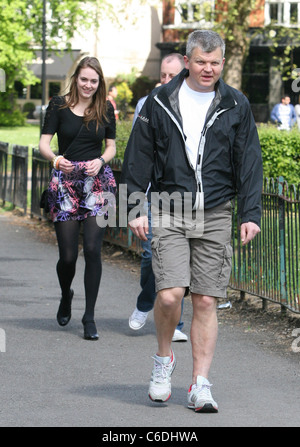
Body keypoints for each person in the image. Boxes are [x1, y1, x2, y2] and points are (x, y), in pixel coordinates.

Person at [121, 30, 263, 412]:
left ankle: (200, 383)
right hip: (169, 207)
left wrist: (250, 213)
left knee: (204, 300)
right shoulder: (160, 101)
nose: (208, 69)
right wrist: (135, 208)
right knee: (169, 294)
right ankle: (163, 361)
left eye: (215, 63)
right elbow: (138, 156)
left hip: (216, 211)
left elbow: (249, 160)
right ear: (187, 60)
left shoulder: (235, 103)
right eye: (201, 62)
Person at [39, 57, 117, 341]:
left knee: (94, 250)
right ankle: (65, 294)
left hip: (99, 184)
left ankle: (89, 318)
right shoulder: (58, 105)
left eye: (93, 81)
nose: (88, 85)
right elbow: (44, 143)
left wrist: (100, 160)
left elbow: (111, 147)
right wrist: (56, 159)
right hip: (66, 183)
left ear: (100, 83)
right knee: (68, 256)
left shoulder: (106, 108)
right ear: (76, 78)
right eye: (84, 79)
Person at [129, 54, 188, 342]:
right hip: (154, 192)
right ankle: (145, 301)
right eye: (162, 75)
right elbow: (137, 154)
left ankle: (176, 323)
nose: (165, 81)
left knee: (180, 256)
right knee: (152, 255)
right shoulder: (147, 104)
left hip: (184, 195)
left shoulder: (193, 104)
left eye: (171, 76)